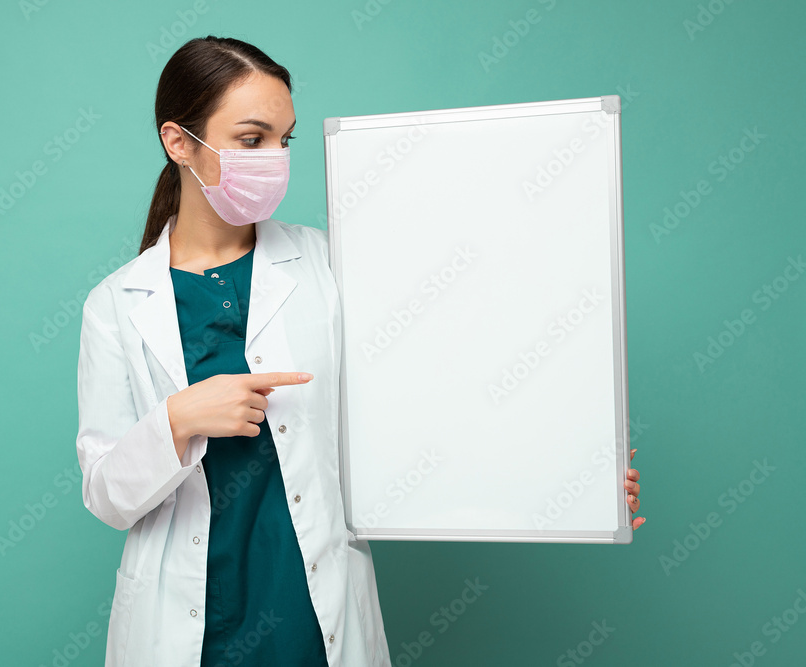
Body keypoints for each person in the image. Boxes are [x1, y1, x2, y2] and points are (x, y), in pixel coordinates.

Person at [76, 34, 645, 667]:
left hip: (308, 607)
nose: (273, 158)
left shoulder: (331, 262)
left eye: (282, 140)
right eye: (250, 138)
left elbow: (442, 387)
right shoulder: (117, 304)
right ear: (179, 142)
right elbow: (106, 494)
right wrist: (177, 421)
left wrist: (576, 477)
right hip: (186, 620)